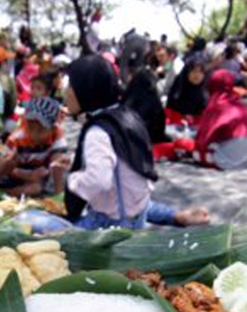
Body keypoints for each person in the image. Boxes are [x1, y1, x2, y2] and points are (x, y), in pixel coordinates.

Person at [61, 55, 208, 229]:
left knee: (35, 222)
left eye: (71, 85)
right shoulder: (127, 116)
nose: (66, 91)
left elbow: (98, 180)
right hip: (138, 208)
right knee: (135, 201)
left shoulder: (97, 132)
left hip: (113, 223)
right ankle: (175, 215)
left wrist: (72, 178)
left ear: (85, 90)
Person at [0, 95, 69, 196]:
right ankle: (8, 193)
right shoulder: (17, 139)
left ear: (52, 128)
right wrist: (29, 176)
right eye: (30, 127)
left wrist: (59, 192)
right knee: (34, 188)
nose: (34, 134)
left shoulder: (57, 136)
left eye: (40, 130)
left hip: (39, 175)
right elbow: (3, 168)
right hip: (16, 176)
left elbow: (57, 164)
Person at [192, 69, 247, 169]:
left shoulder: (216, 104)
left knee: (195, 152)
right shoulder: (239, 105)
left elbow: (205, 138)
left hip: (226, 161)